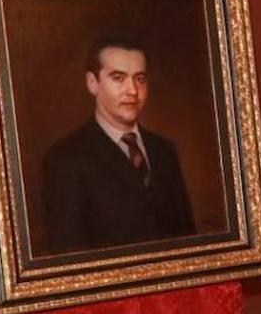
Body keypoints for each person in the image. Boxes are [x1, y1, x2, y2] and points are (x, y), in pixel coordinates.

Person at [43, 37, 196, 254]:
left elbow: (188, 239)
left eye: (140, 79)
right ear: (92, 83)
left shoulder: (165, 150)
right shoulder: (65, 159)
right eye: (118, 78)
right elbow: (68, 255)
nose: (132, 91)